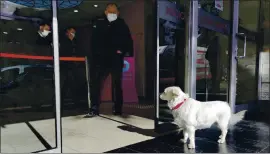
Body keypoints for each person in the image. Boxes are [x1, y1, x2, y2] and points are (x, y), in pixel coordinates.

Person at [86, 3, 133, 117]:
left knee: (117, 85)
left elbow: (128, 40)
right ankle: (94, 108)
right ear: (106, 12)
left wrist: (122, 51)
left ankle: (118, 109)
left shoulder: (122, 24)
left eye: (115, 12)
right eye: (110, 12)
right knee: (96, 83)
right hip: (101, 59)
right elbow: (94, 41)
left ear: (118, 13)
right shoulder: (99, 23)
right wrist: (95, 55)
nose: (113, 14)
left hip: (116, 59)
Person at [59, 27, 80, 106]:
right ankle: (60, 102)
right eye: (71, 32)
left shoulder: (75, 42)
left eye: (74, 32)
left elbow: (77, 52)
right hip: (65, 66)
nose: (73, 34)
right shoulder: (64, 42)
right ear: (67, 32)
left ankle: (75, 102)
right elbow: (64, 53)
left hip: (73, 66)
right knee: (64, 85)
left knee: (73, 84)